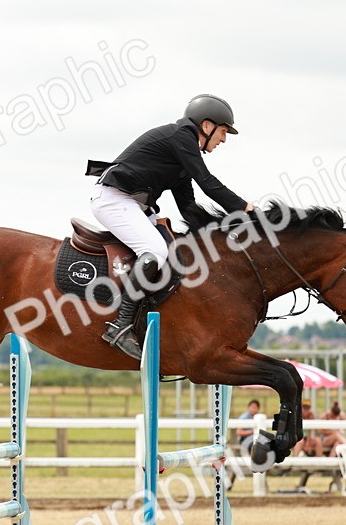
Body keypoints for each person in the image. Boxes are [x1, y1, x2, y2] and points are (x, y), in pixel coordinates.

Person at [86, 94, 253, 359]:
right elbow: (207, 182)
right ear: (207, 126)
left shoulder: (182, 152)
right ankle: (120, 325)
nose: (223, 140)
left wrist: (219, 230)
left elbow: (188, 206)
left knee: (177, 252)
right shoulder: (181, 137)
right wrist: (244, 209)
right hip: (114, 200)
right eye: (223, 132)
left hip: (133, 205)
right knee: (156, 252)